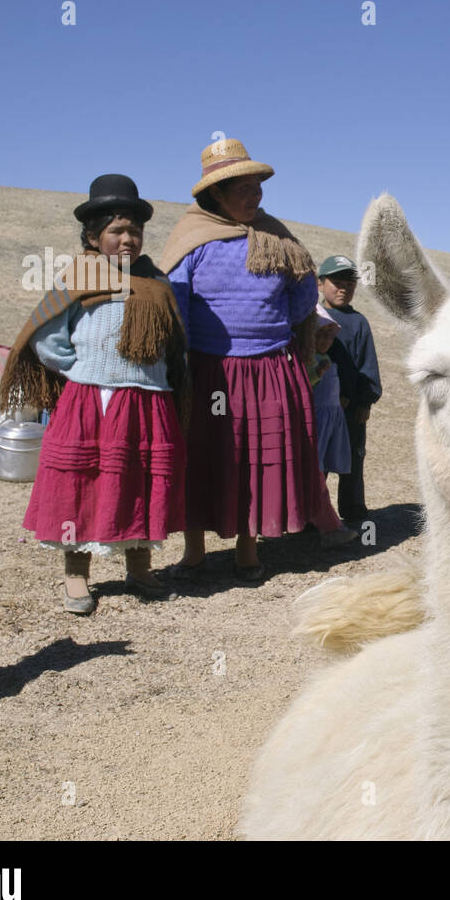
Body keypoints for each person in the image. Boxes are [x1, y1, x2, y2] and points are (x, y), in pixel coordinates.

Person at [160, 140, 354, 582]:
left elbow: (304, 296)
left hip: (268, 369)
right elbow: (177, 302)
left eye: (256, 187)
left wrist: (267, 331)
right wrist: (185, 364)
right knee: (205, 455)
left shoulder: (278, 238)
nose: (253, 196)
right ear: (216, 194)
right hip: (211, 371)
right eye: (242, 189)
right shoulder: (192, 240)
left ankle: (248, 551)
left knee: (253, 459)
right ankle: (194, 553)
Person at [0, 174, 188, 614]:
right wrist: (84, 371)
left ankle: (139, 567)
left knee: (141, 480)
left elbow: (176, 344)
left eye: (135, 232)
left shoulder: (157, 283)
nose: (128, 240)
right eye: (117, 232)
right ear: (92, 235)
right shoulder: (80, 275)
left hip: (148, 397)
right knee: (80, 485)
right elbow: (47, 340)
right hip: (93, 398)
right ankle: (76, 575)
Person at [318, 255, 382, 523]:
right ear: (321, 283)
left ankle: (353, 510)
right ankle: (313, 515)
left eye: (350, 283)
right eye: (337, 282)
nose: (344, 288)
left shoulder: (359, 323)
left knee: (354, 459)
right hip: (316, 406)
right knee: (316, 460)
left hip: (351, 409)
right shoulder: (311, 316)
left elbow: (367, 366)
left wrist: (365, 402)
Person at [310, 299, 351, 477]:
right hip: (315, 419)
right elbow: (304, 384)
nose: (326, 340)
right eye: (321, 334)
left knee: (324, 461)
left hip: (331, 420)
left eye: (330, 336)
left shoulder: (328, 357)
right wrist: (317, 373)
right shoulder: (309, 360)